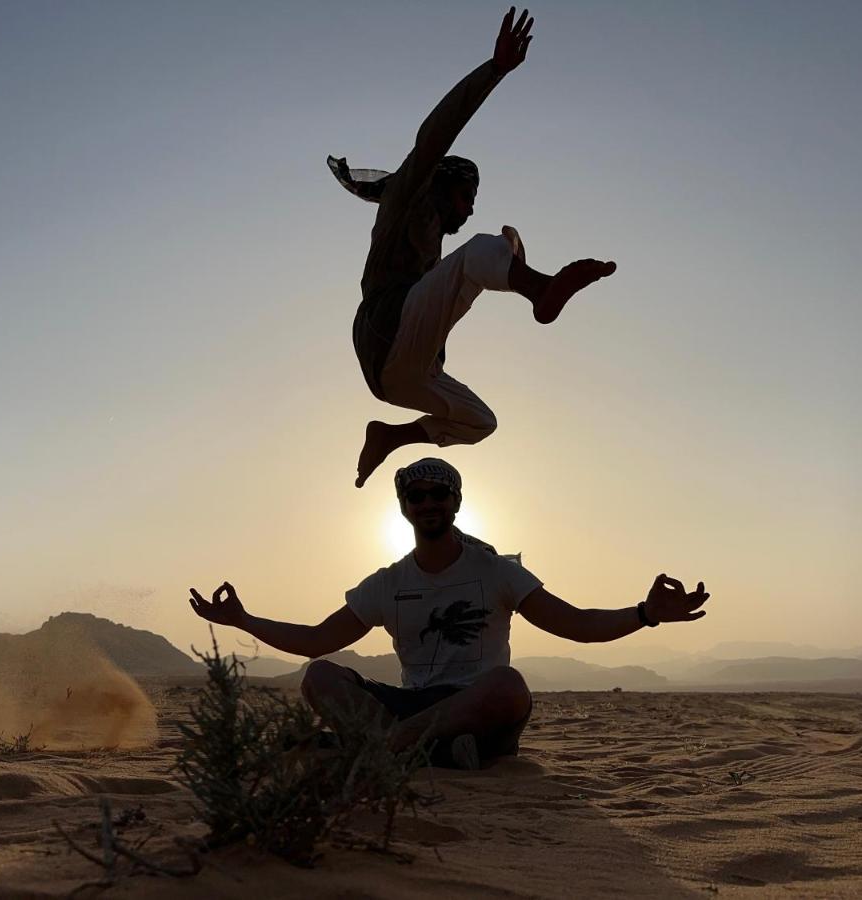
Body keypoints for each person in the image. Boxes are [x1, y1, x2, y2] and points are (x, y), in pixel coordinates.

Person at [188, 457, 710, 769]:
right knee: (320, 675)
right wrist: (243, 620)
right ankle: (429, 753)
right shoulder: (390, 582)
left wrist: (646, 613)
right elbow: (316, 640)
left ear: (456, 502)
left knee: (509, 685)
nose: (429, 502)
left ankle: (382, 750)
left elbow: (574, 624)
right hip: (413, 706)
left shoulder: (494, 570)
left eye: (440, 493)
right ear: (404, 506)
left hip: (477, 708)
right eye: (418, 495)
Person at [329, 8, 618, 488]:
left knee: (481, 422)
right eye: (467, 196)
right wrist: (494, 70)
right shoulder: (409, 200)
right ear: (443, 186)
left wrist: (513, 252)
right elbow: (435, 135)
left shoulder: (433, 245)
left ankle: (389, 437)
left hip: (404, 375)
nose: (467, 209)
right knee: (481, 251)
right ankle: (539, 290)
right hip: (384, 327)